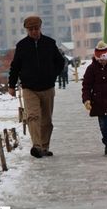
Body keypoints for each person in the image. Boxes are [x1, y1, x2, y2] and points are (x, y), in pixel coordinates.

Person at [8, 16, 65, 158]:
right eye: (31, 29)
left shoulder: (49, 43)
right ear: (27, 30)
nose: (34, 31)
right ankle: (37, 146)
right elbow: (15, 67)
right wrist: (11, 85)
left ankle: (45, 147)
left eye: (36, 28)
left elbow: (60, 62)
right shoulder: (21, 46)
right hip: (29, 88)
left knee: (47, 120)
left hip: (47, 87)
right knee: (33, 116)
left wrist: (53, 75)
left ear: (40, 28)